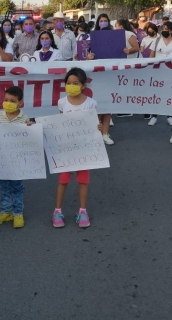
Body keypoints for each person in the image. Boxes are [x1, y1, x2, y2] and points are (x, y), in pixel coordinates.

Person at [53, 68, 103, 229]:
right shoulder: (62, 102)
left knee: (83, 180)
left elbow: (95, 124)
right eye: (68, 83)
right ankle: (57, 211)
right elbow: (61, 122)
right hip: (67, 149)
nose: (71, 86)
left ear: (83, 85)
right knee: (63, 180)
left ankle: (82, 211)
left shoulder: (91, 103)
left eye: (75, 83)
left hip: (84, 149)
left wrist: (100, 128)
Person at [0, 86, 33, 229]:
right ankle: (5, 210)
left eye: (12, 101)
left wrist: (31, 127)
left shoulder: (24, 118)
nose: (8, 103)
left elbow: (30, 137)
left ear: (20, 103)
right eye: (6, 100)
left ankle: (18, 212)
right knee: (4, 186)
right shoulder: (0, 115)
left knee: (17, 187)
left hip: (17, 161)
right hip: (2, 160)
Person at [87, 13, 114, 141]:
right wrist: (88, 57)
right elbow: (84, 54)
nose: (103, 22)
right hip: (96, 75)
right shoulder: (92, 38)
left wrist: (125, 51)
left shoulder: (116, 38)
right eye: (101, 20)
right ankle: (96, 132)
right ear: (98, 23)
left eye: (105, 20)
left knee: (107, 106)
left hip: (110, 76)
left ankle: (105, 134)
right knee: (96, 105)